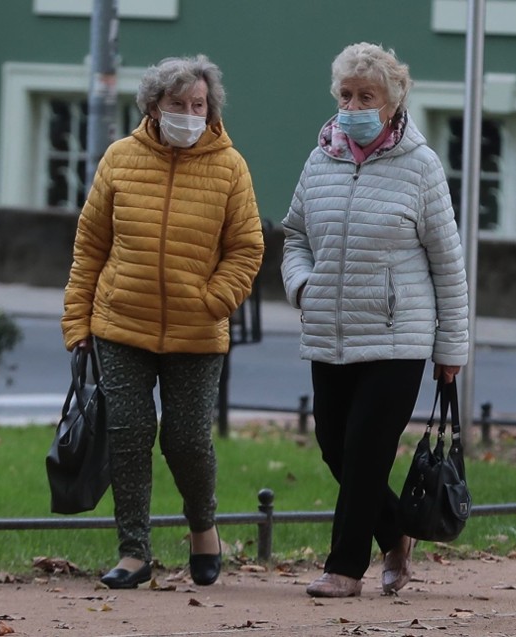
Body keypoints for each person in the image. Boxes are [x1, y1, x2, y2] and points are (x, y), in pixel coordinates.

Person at [61, 54, 264, 589]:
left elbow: (246, 248)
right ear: (154, 106)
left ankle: (203, 528)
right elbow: (90, 247)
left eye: (198, 105)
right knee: (129, 433)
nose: (189, 114)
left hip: (197, 331)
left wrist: (214, 299)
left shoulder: (230, 166)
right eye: (178, 105)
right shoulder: (119, 159)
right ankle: (134, 551)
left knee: (187, 439)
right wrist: (77, 322)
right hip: (120, 322)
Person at [281, 42, 469, 598]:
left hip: (397, 337)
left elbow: (447, 261)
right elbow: (295, 236)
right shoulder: (321, 159)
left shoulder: (421, 166)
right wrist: (303, 284)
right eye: (346, 94)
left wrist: (451, 348)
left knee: (365, 452)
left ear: (392, 102)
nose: (354, 105)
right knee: (335, 447)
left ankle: (344, 568)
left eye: (367, 96)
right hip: (329, 333)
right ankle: (395, 534)